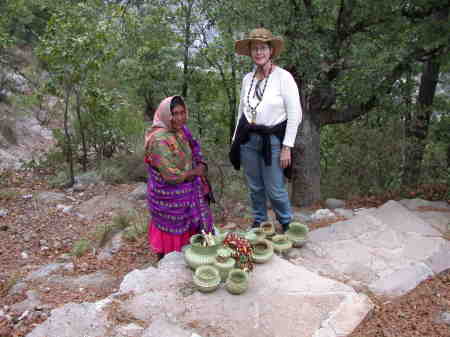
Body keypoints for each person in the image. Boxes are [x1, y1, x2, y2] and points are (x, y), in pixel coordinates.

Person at [230, 28, 302, 232]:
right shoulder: (247, 79)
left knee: (275, 188)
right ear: (250, 52)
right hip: (248, 140)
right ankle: (259, 221)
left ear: (271, 51)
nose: (258, 52)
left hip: (273, 141)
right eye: (255, 48)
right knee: (255, 186)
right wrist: (235, 140)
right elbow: (241, 112)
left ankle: (286, 222)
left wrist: (287, 146)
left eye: (262, 48)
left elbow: (295, 114)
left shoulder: (283, 78)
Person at [144, 96, 214, 260]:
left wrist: (201, 163)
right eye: (175, 113)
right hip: (168, 194)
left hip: (188, 186)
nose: (180, 117)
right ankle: (168, 262)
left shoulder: (182, 130)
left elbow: (194, 147)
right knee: (171, 241)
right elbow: (170, 175)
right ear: (165, 115)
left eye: (183, 113)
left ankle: (193, 256)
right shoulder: (159, 139)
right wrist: (196, 172)